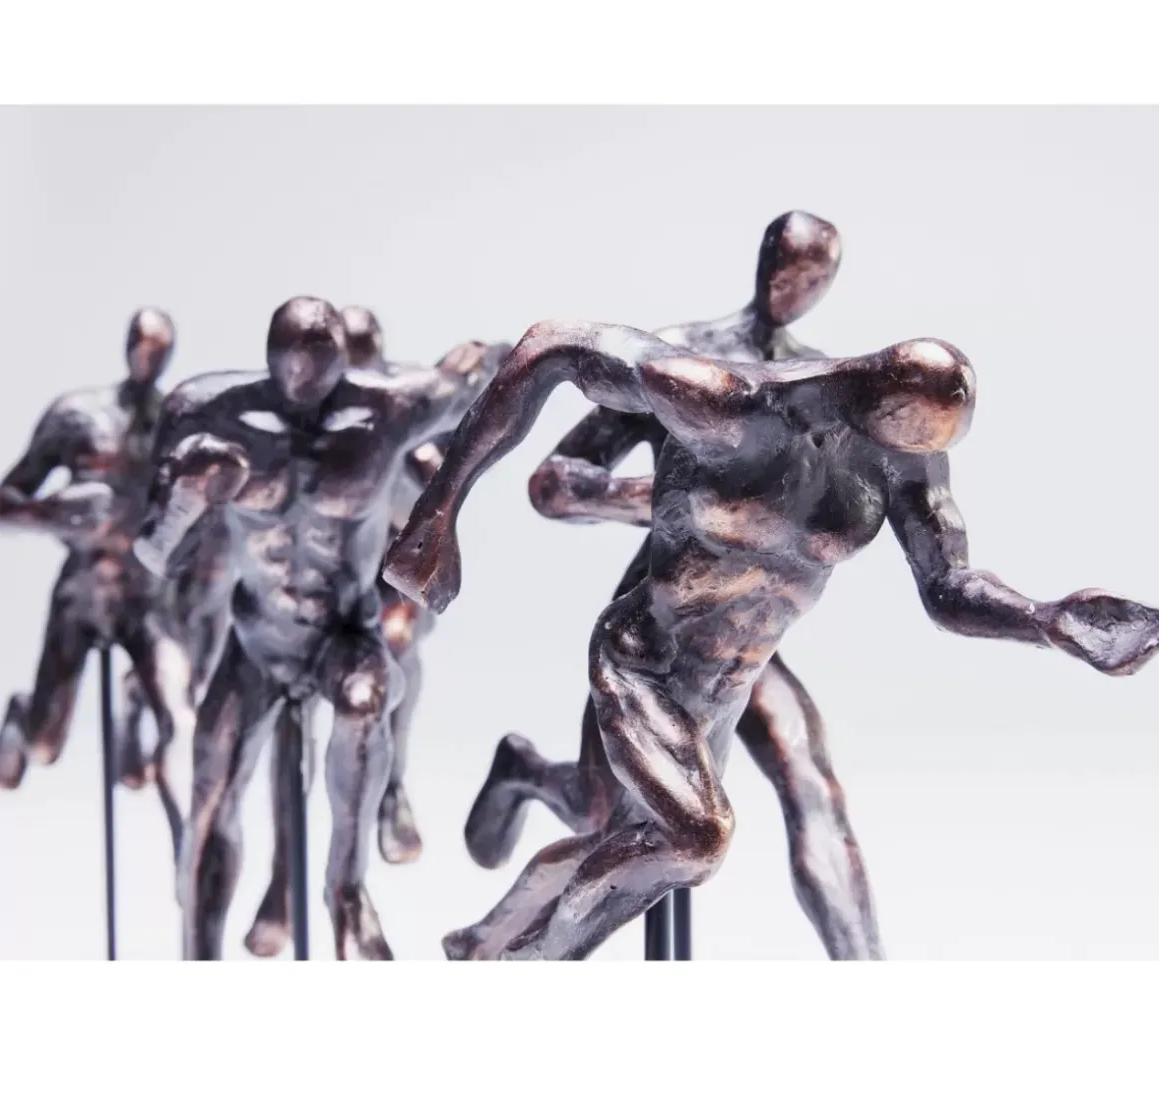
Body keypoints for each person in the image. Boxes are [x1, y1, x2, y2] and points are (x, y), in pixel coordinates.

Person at [384, 319, 1159, 960]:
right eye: (915, 433)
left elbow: (947, 588)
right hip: (647, 662)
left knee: (638, 831)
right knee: (693, 837)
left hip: (736, 678)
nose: (923, 453)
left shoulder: (904, 460)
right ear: (880, 400)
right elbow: (551, 347)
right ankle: (526, 963)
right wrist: (436, 515)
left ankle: (490, 939)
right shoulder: (730, 404)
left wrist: (1048, 621)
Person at [464, 210, 885, 957]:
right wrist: (676, 505)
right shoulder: (686, 361)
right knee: (603, 814)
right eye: (785, 267)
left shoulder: (826, 391)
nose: (792, 288)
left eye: (814, 277)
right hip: (664, 625)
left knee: (811, 783)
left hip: (753, 639)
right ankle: (523, 776)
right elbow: (556, 482)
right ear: (762, 260)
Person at [134, 295, 507, 959]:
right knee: (211, 800)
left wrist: (492, 362)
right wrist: (189, 498)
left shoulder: (386, 410)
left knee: (366, 699)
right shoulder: (208, 412)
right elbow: (158, 555)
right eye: (291, 373)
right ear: (271, 363)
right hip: (257, 641)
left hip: (345, 633)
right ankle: (198, 955)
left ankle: (346, 889)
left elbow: (484, 391)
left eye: (320, 372)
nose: (304, 389)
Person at [0, 308, 196, 860]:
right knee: (45, 745)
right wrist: (50, 513)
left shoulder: (181, 425)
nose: (149, 358)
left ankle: (190, 852)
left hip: (147, 598)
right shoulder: (78, 415)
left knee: (182, 717)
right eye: (142, 344)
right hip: (82, 595)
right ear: (127, 345)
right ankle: (23, 719)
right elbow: (7, 500)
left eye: (160, 349)